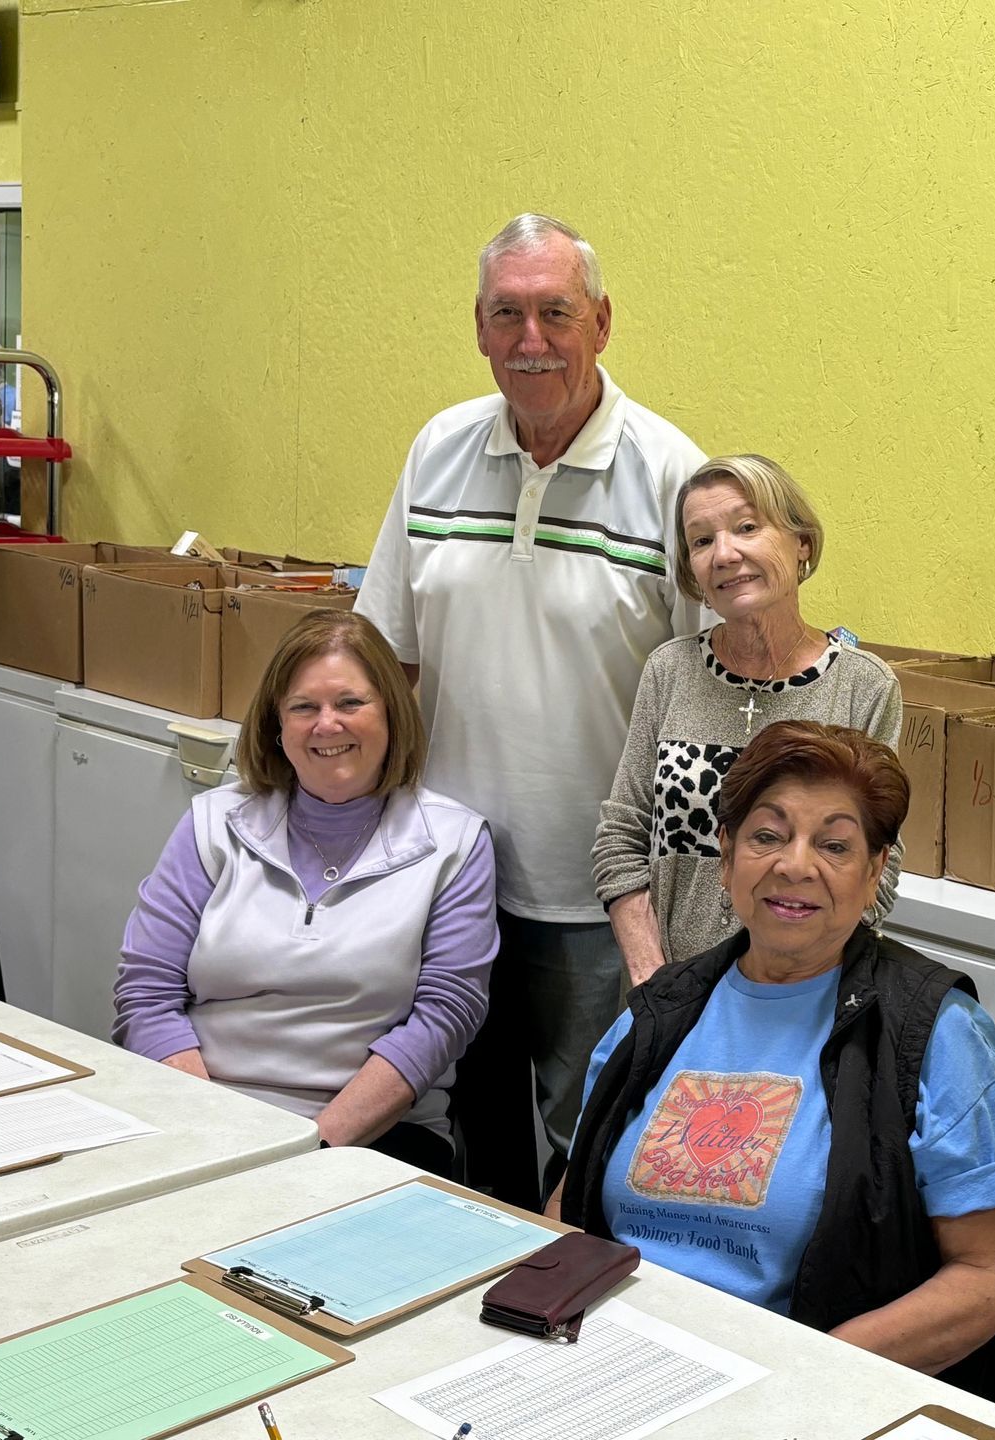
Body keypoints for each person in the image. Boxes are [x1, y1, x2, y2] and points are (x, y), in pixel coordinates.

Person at [355, 212, 707, 1206]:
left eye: (556, 312)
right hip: (446, 875)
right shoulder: (438, 449)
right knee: (458, 1125)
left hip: (596, 899)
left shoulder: (669, 472)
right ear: (478, 327)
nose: (531, 340)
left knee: (593, 1149)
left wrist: (665, 911)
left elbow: (704, 700)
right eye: (507, 314)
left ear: (602, 321)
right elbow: (388, 659)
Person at [563, 721, 995, 1407]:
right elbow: (572, 1199)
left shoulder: (932, 1030)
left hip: (808, 1399)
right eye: (768, 835)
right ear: (726, 854)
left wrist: (803, 1373)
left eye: (834, 844)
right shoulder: (656, 1015)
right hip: (627, 1378)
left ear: (875, 871)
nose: (795, 865)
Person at [113, 610, 498, 1176]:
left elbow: (444, 1017)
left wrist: (308, 1151)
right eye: (303, 707)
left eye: (350, 703)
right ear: (276, 724)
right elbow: (145, 992)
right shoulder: (213, 824)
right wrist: (213, 1130)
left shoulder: (455, 843)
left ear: (392, 714)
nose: (326, 725)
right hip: (203, 1112)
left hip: (369, 1137)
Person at [593, 453, 902, 982]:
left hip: (805, 996)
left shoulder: (864, 687)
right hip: (670, 989)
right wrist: (652, 978)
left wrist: (792, 980)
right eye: (701, 540)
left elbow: (879, 865)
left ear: (801, 541)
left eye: (747, 527)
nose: (725, 553)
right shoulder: (670, 671)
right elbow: (621, 835)